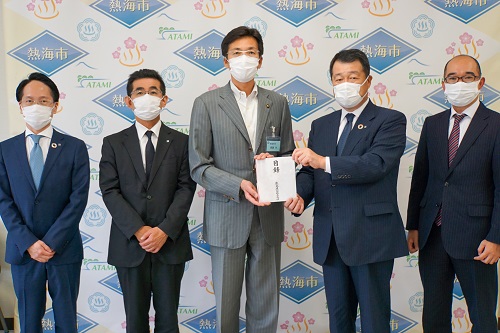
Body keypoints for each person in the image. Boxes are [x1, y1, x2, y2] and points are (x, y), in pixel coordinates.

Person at [285, 49, 408, 333]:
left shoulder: (390, 120)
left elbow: (375, 164)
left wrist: (322, 161)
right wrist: (301, 195)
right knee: (339, 320)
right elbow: (309, 172)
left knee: (375, 319)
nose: (345, 84)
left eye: (353, 77)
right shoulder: (322, 125)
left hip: (370, 235)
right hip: (331, 238)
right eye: (338, 78)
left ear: (368, 81)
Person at [188, 26, 294, 333]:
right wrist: (238, 184)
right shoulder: (206, 103)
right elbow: (199, 166)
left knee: (265, 302)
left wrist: (275, 162)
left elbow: (287, 154)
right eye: (237, 53)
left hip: (268, 214)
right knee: (226, 304)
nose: (244, 59)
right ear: (225, 61)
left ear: (260, 60)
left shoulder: (279, 103)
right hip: (226, 214)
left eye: (250, 52)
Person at [406, 55, 500, 332]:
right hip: (432, 234)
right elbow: (420, 178)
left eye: (468, 77)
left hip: (478, 239)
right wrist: (413, 225)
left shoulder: (495, 125)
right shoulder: (432, 124)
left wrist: (496, 237)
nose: (460, 83)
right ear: (443, 84)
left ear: (480, 83)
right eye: (453, 78)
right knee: (434, 317)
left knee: (483, 317)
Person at [99, 69, 196, 333]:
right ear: (129, 101)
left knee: (168, 321)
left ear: (164, 100)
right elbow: (109, 190)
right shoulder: (113, 143)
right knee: (135, 322)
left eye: (153, 92)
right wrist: (139, 230)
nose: (147, 97)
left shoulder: (182, 142)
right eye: (139, 92)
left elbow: (186, 188)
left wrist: (164, 230)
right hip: (129, 245)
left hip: (170, 244)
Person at [0, 72, 90, 332]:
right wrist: (29, 243)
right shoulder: (6, 150)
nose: (36, 106)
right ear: (20, 106)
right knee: (28, 321)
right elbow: (4, 201)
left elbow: (78, 199)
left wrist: (50, 243)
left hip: (63, 249)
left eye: (43, 100)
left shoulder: (74, 147)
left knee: (66, 321)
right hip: (23, 252)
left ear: (55, 105)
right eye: (29, 101)